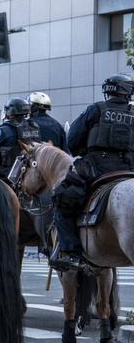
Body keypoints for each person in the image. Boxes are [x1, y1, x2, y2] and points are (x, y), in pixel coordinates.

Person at [51, 74, 134, 271]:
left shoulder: (96, 109)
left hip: (98, 168)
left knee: (63, 200)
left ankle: (71, 253)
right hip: (130, 169)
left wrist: (85, 154)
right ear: (128, 93)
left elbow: (72, 139)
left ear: (109, 92)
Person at [0, 97, 41, 182]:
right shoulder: (34, 126)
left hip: (8, 174)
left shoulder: (5, 130)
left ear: (11, 111)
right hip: (30, 171)